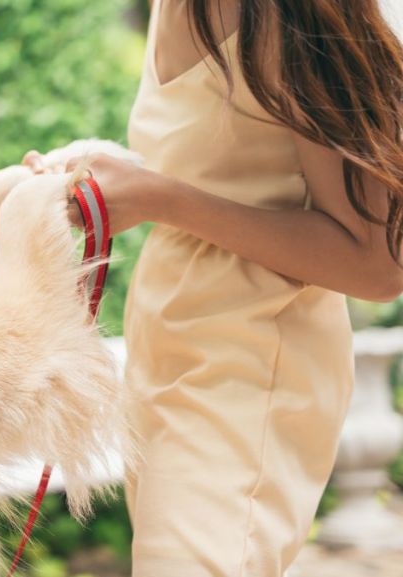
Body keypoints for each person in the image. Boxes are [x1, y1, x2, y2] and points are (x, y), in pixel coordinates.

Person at [23, 0, 403, 575]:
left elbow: (377, 265)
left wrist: (156, 197)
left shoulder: (285, 15)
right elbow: (223, 170)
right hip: (166, 366)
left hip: (246, 377)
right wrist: (109, 178)